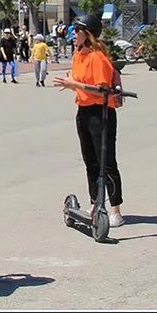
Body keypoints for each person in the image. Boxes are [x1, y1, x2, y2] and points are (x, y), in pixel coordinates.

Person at [53, 14, 125, 227]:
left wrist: (74, 84)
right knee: (90, 162)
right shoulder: (78, 56)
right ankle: (95, 203)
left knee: (107, 162)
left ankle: (115, 210)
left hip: (100, 112)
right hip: (83, 112)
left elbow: (101, 90)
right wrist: (72, 84)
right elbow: (78, 82)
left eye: (77, 31)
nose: (73, 34)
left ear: (88, 34)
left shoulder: (98, 58)